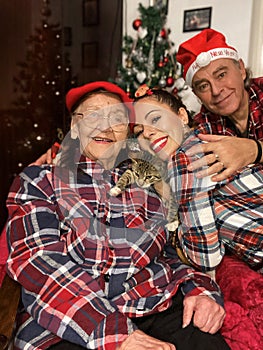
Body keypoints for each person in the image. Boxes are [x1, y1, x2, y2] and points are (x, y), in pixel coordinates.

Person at [5, 81, 229, 350]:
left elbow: (168, 256)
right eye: (93, 115)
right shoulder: (40, 181)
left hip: (150, 306)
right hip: (66, 321)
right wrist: (115, 333)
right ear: (75, 128)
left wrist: (201, 290)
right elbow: (38, 261)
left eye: (117, 119)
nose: (106, 126)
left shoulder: (148, 186)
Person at [132, 85, 263, 273]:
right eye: (138, 131)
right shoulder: (208, 141)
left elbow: (205, 258)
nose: (147, 133)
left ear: (182, 116)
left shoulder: (183, 159)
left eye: (155, 118)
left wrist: (177, 236)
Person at [176, 28, 263, 182]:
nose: (216, 91)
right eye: (203, 86)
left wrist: (255, 150)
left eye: (221, 75)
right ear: (197, 94)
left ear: (241, 69)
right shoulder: (202, 129)